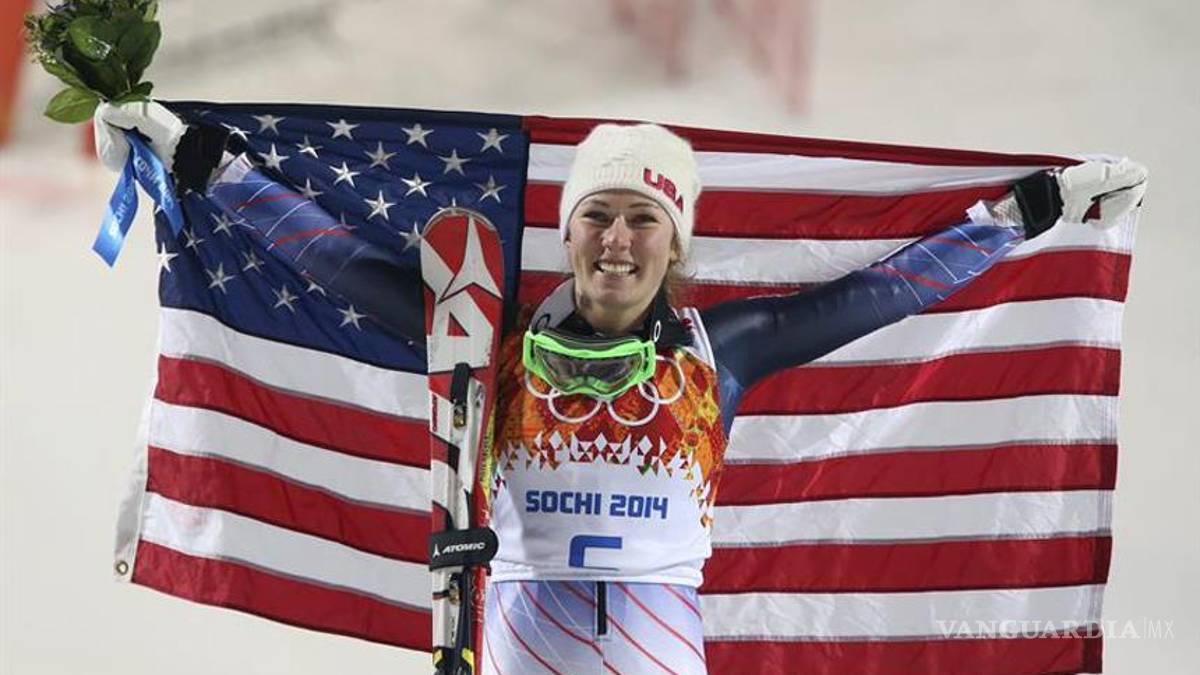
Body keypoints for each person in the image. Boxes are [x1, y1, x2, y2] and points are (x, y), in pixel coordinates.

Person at [95, 102, 1147, 675]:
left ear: (674, 243)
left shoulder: (723, 350)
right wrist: (199, 162)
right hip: (516, 646)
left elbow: (883, 294)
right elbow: (336, 262)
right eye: (596, 215)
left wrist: (1030, 210)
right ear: (569, 234)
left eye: (643, 219)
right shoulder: (489, 336)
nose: (616, 238)